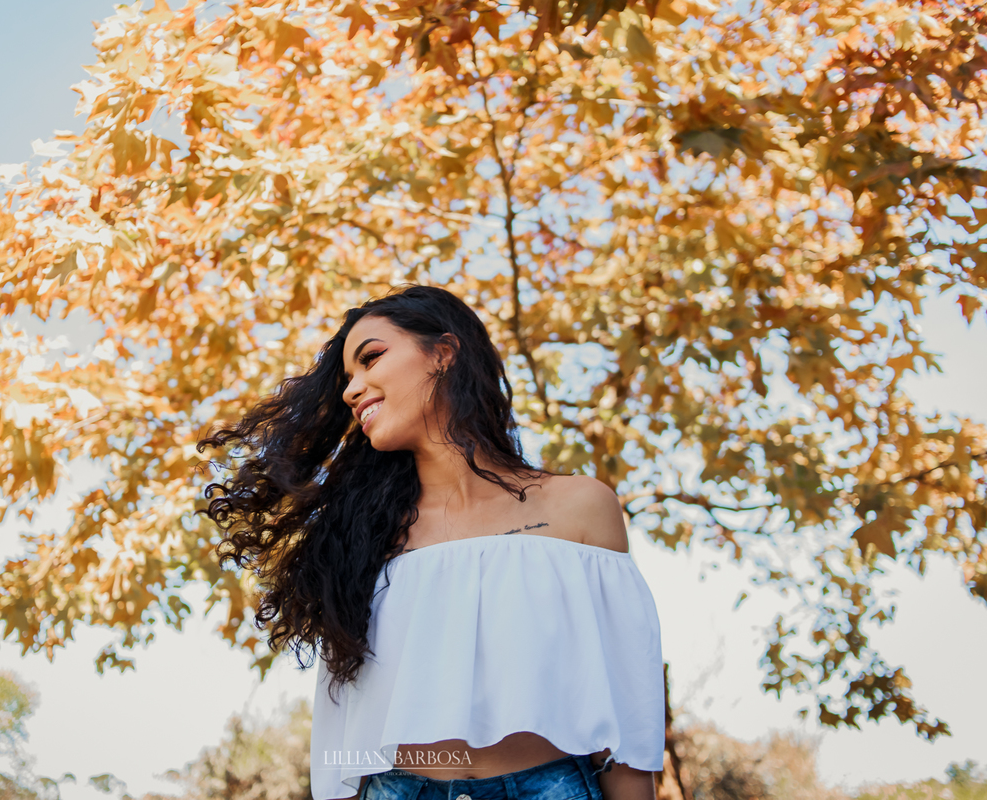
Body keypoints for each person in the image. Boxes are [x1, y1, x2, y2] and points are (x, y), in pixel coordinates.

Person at [196, 285, 664, 800]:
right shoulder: (357, 539)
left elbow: (625, 710)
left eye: (371, 358)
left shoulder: (582, 508)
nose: (353, 390)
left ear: (443, 352)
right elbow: (347, 724)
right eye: (348, 379)